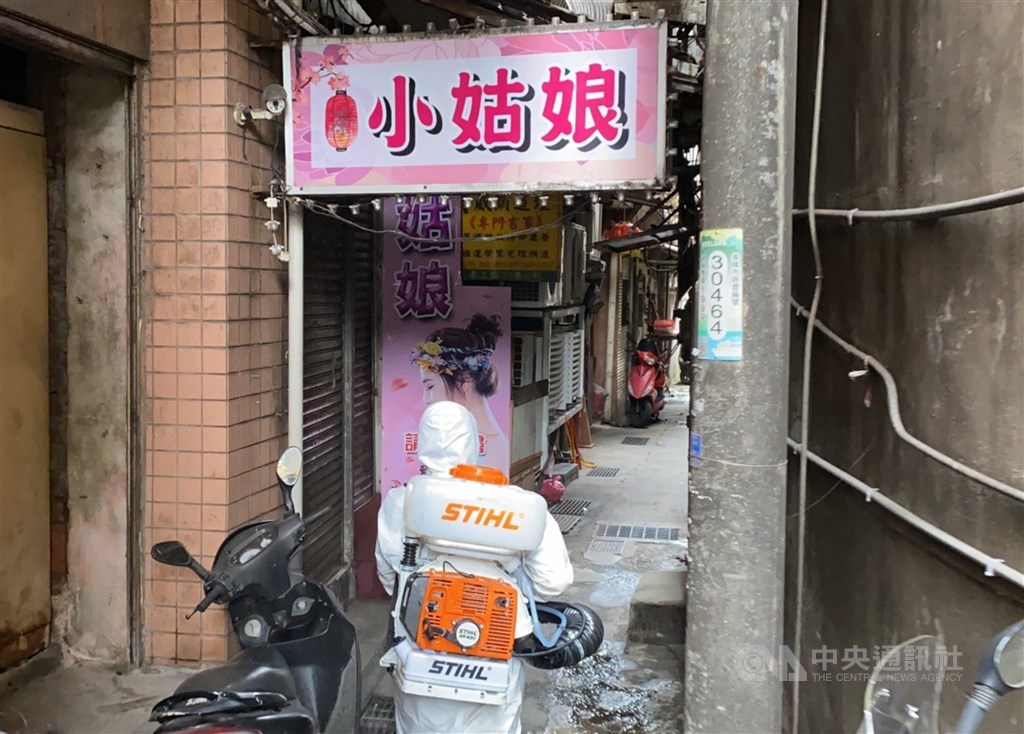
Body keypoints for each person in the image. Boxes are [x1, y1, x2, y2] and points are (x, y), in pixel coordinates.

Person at [375, 401, 573, 734]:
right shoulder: (517, 505)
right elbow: (554, 581)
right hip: (495, 654)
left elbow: (390, 575)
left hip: (422, 648)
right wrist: (513, 588)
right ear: (472, 443)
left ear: (421, 443)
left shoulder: (401, 501)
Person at [411, 314, 510, 472]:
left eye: (430, 387)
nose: (425, 400)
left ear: (465, 381)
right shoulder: (453, 440)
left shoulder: (495, 451)